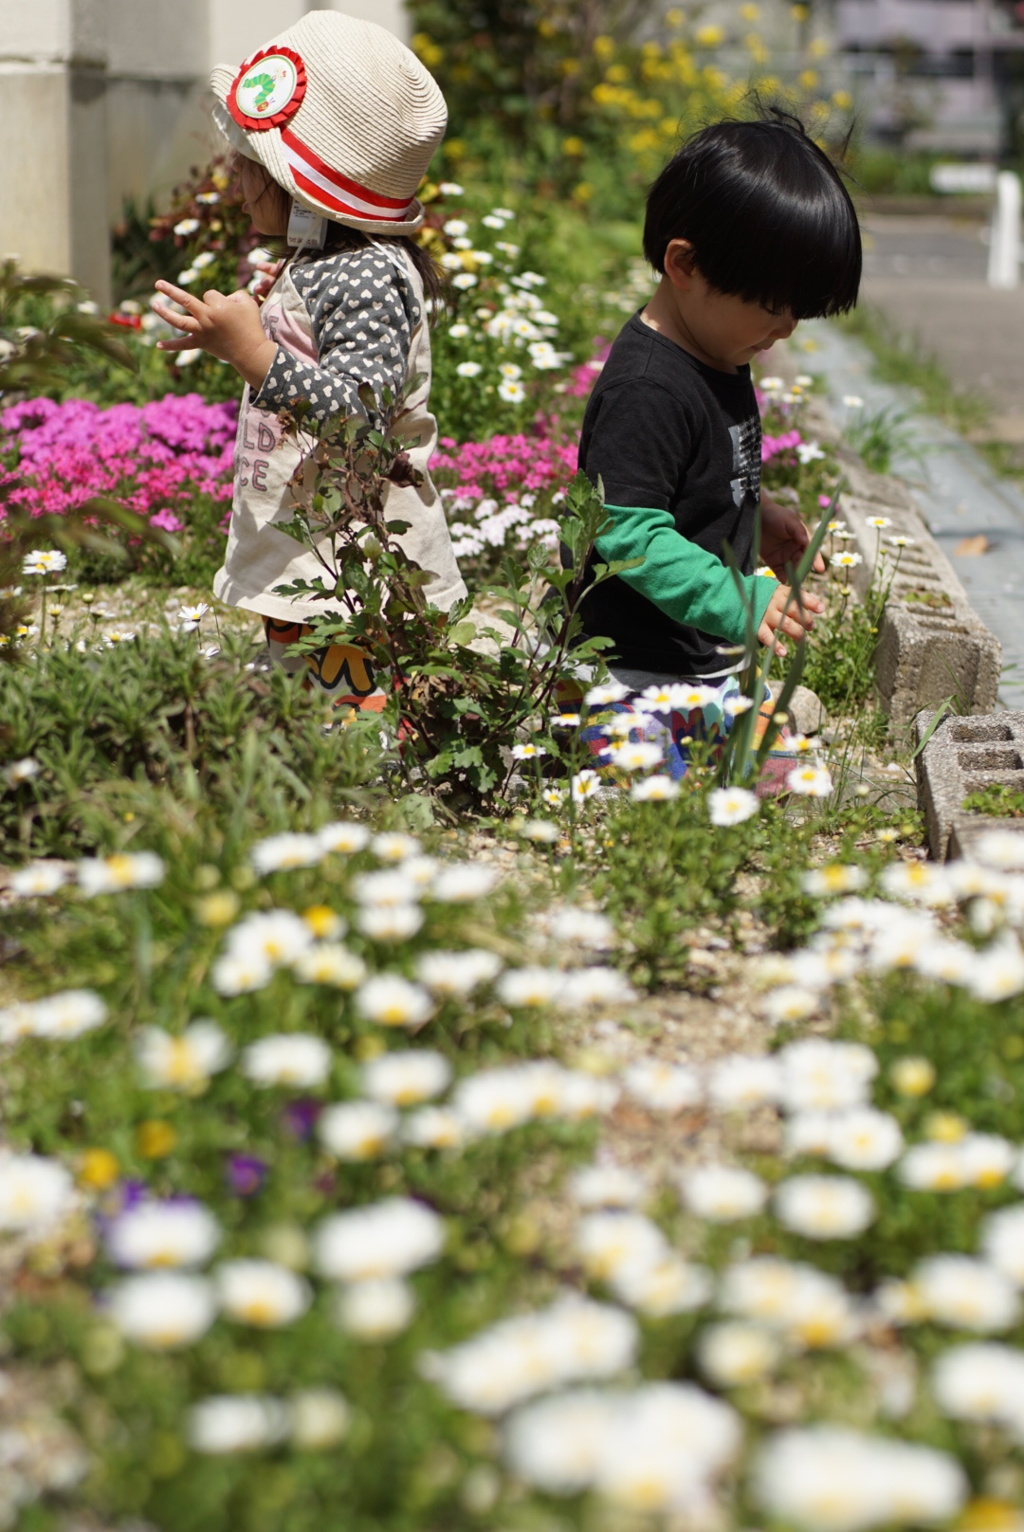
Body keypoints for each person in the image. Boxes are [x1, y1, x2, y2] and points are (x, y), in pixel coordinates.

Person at [151, 10, 466, 714]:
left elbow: (361, 417)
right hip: (315, 538)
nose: (235, 173)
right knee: (304, 692)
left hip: (357, 552)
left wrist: (252, 352)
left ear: (306, 189)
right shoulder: (324, 260)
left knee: (358, 710)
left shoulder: (364, 275)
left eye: (252, 162)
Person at [566, 110, 862, 778]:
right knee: (667, 770)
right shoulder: (647, 389)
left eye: (799, 309)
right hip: (632, 664)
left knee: (780, 762)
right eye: (771, 304)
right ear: (685, 264)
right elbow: (627, 534)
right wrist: (740, 595)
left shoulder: (720, 351)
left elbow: (694, 492)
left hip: (697, 661)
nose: (785, 327)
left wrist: (751, 524)